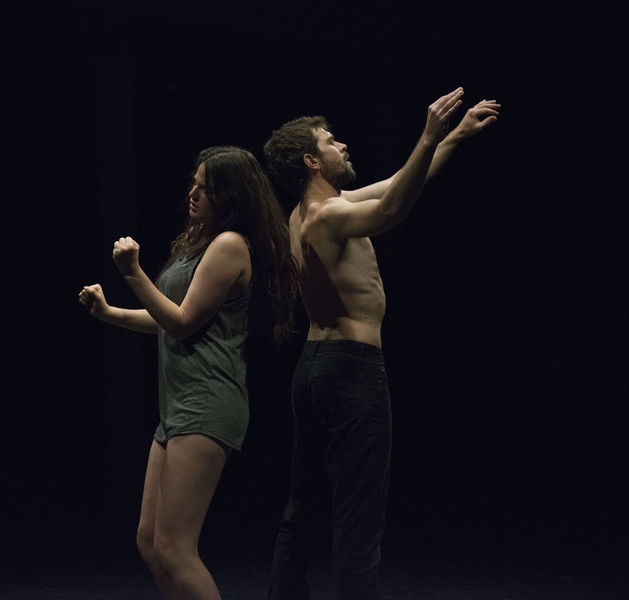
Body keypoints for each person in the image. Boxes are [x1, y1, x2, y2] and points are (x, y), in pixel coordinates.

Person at [261, 88, 501, 600]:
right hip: (352, 368)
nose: (343, 145)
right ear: (311, 161)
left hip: (314, 368)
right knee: (358, 513)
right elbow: (393, 209)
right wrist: (427, 135)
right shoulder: (327, 216)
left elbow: (396, 183)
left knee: (303, 505)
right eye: (331, 142)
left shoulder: (303, 214)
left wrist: (453, 137)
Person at [78, 146, 297, 600]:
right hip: (178, 405)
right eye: (194, 184)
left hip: (208, 402)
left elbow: (181, 322)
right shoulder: (200, 242)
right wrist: (109, 312)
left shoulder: (230, 245)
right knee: (150, 543)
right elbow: (170, 316)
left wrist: (133, 273)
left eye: (206, 188)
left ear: (231, 195)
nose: (193, 194)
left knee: (176, 549)